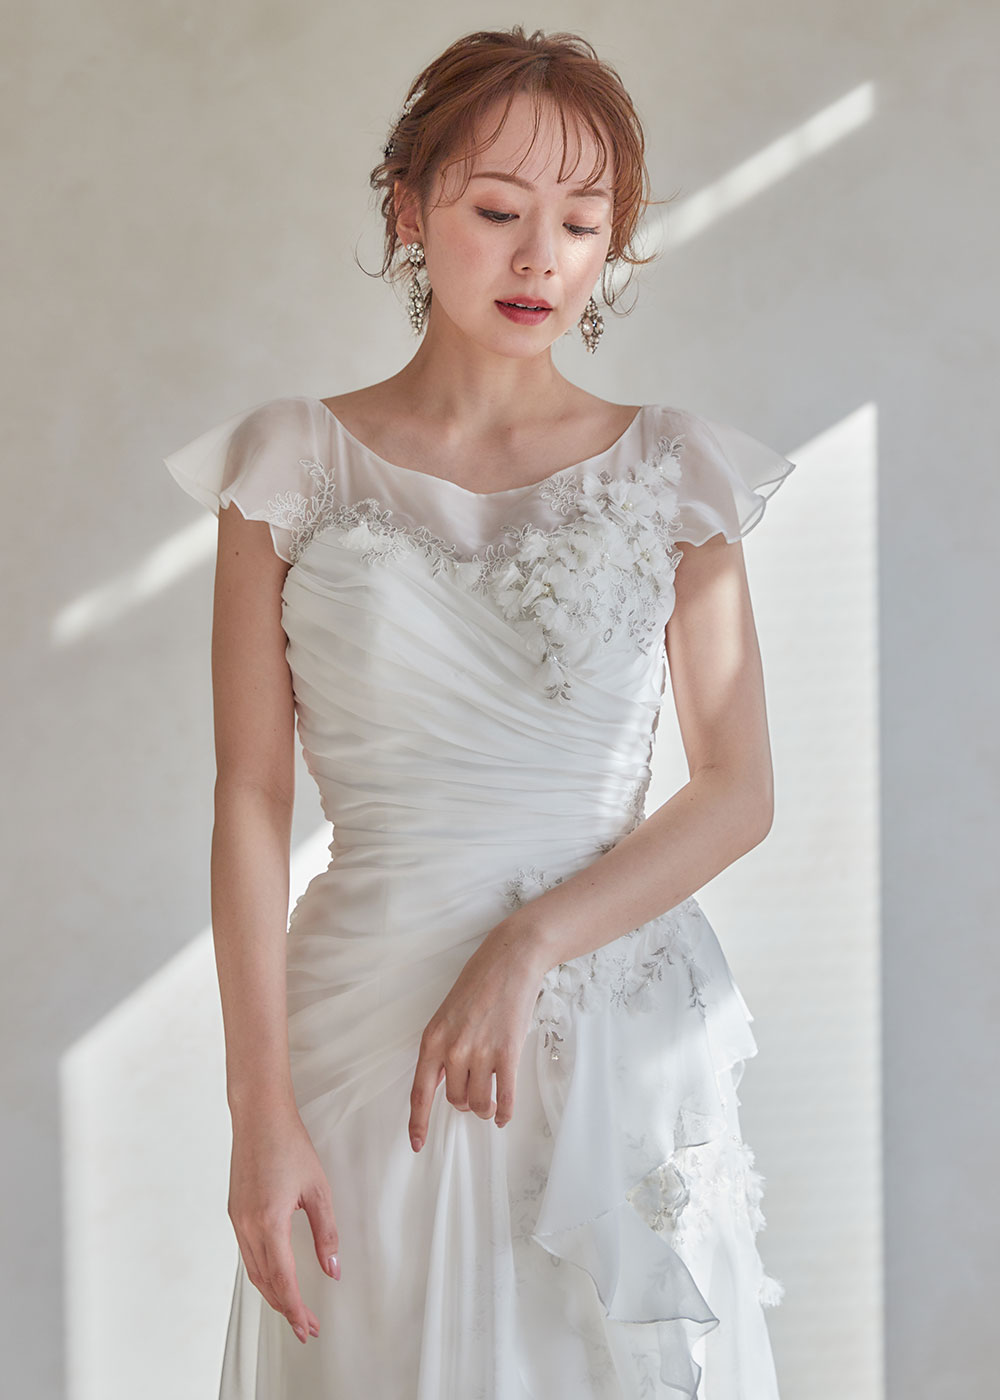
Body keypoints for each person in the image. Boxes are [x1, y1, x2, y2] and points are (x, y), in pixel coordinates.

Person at [164, 24, 796, 1400]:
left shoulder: (677, 470)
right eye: (499, 211)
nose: (540, 260)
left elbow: (737, 790)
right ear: (409, 210)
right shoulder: (288, 465)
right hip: (359, 1032)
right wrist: (256, 1108)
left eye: (582, 223)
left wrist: (528, 945)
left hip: (606, 1032)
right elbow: (251, 799)